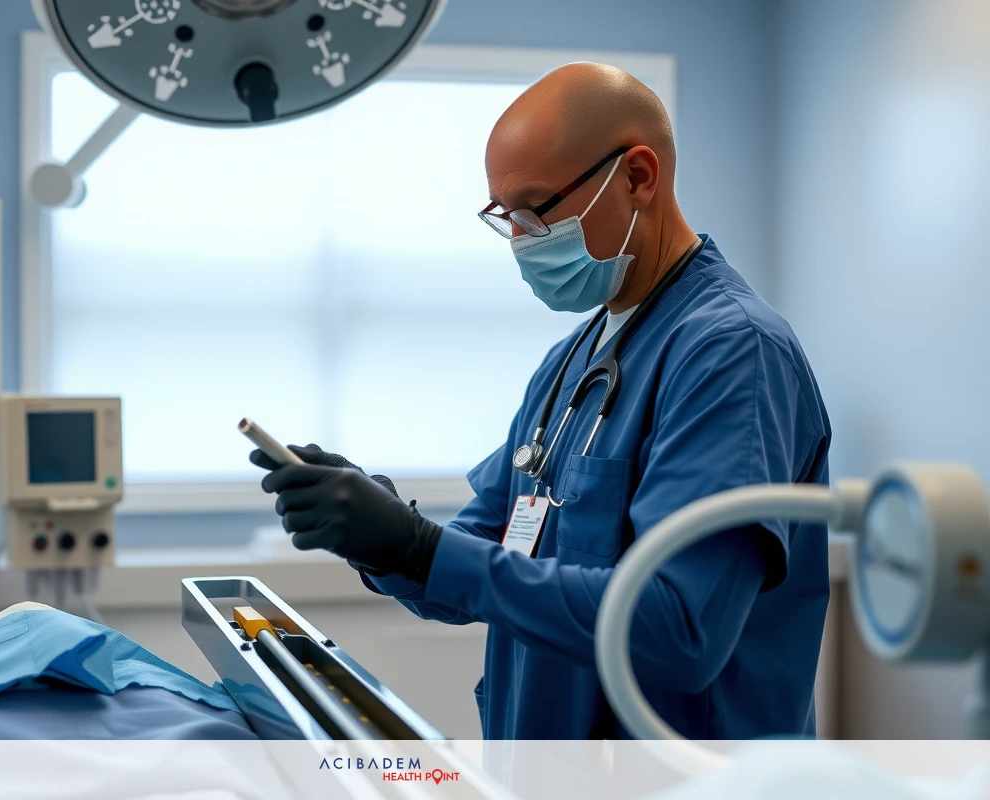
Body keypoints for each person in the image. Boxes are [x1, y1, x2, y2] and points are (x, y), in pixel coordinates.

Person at [252, 63, 831, 740]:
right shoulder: (570, 365)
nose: (522, 241)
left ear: (638, 176)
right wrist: (378, 537)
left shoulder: (733, 354)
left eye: (537, 209)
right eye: (506, 217)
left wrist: (421, 549)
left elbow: (679, 630)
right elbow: (479, 550)